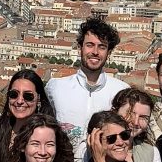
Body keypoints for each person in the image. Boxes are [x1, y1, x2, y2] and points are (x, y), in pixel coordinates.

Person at [46, 16, 126, 150]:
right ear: (80, 48)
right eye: (90, 45)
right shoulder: (55, 87)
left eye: (101, 47)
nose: (95, 52)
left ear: (109, 53)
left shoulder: (121, 91)